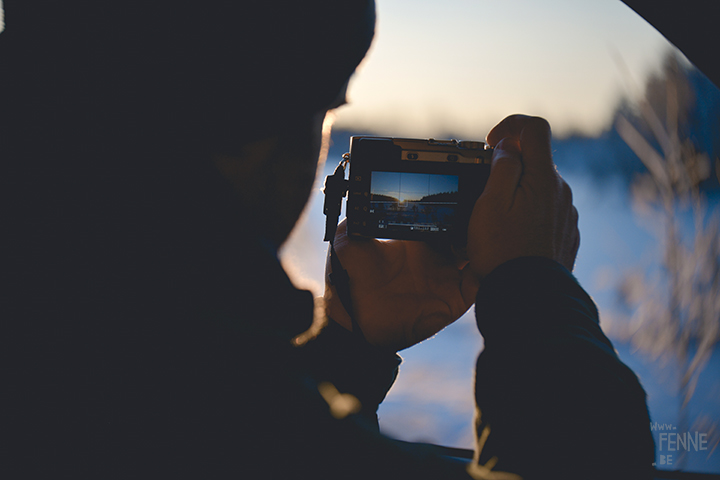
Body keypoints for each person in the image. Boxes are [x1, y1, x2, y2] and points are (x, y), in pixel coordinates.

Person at [0, 1, 654, 479]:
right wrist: (535, 295)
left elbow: (254, 440)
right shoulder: (153, 378)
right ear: (262, 129)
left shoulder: (82, 321)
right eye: (325, 109)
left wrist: (343, 350)